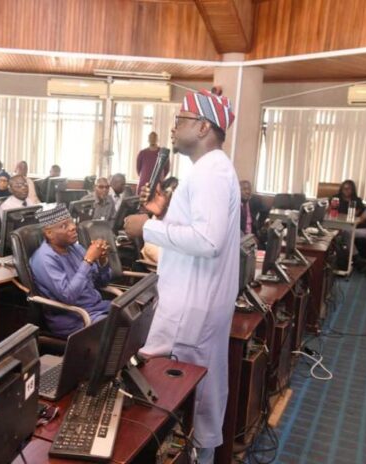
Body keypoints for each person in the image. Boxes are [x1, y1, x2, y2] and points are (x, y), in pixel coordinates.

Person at [123, 89, 239, 463]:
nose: (172, 129)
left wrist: (147, 227)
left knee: (181, 400)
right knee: (196, 399)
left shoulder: (210, 172)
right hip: (196, 299)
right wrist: (162, 215)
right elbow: (195, 232)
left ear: (204, 126)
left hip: (192, 308)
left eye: (180, 120)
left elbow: (207, 240)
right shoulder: (209, 169)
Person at [29, 205, 111, 337]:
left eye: (72, 222)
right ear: (49, 233)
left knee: (133, 312)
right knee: (115, 330)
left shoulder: (75, 248)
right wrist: (88, 261)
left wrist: (102, 261)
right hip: (75, 318)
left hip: (97, 308)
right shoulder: (44, 259)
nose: (73, 227)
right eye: (64, 226)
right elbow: (68, 297)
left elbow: (102, 282)